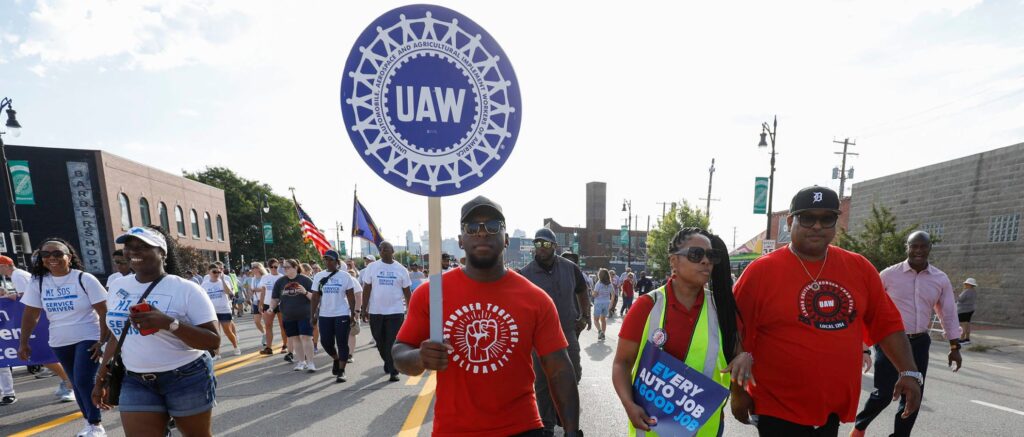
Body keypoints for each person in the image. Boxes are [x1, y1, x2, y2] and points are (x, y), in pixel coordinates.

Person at [733, 186, 921, 437]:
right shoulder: (761, 272)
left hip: (831, 408)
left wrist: (908, 371)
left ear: (836, 221)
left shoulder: (859, 268)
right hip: (776, 407)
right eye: (808, 218)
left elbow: (886, 324)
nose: (817, 226)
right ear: (790, 222)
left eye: (826, 218)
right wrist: (738, 392)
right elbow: (734, 333)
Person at [393, 195, 581, 436]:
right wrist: (419, 357)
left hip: (522, 428)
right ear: (461, 240)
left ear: (506, 239)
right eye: (472, 227)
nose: (482, 233)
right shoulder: (431, 293)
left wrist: (572, 431)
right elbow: (399, 352)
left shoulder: (535, 299)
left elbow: (559, 370)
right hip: (454, 430)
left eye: (493, 226)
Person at [613, 227, 751, 436]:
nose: (705, 261)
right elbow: (621, 363)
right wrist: (628, 404)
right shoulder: (646, 306)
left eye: (710, 256)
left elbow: (738, 356)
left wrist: (745, 358)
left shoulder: (722, 310)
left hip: (705, 429)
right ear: (673, 261)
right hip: (652, 428)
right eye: (696, 254)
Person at [92, 225, 219, 437]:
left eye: (143, 246)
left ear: (162, 252)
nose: (133, 251)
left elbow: (212, 341)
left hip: (185, 376)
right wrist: (101, 377)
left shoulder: (186, 289)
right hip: (135, 379)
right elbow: (116, 335)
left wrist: (169, 323)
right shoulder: (117, 286)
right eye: (129, 247)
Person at [852, 231, 963, 437]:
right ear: (907, 247)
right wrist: (863, 346)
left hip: (919, 341)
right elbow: (866, 308)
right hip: (889, 341)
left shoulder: (940, 279)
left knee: (913, 395)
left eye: (923, 246)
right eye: (914, 246)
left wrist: (954, 346)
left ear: (929, 248)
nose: (918, 250)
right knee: (884, 394)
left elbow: (947, 313)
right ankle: (859, 427)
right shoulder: (888, 275)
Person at [18, 239, 109, 437]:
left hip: (89, 337)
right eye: (46, 255)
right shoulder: (38, 282)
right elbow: (31, 314)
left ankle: (96, 425)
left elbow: (104, 311)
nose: (52, 258)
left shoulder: (84, 279)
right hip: (60, 340)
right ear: (41, 259)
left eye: (58, 254)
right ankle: (89, 423)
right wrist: (23, 342)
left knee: (84, 380)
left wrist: (102, 341)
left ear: (69, 256)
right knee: (75, 382)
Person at [519, 228, 591, 436]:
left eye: (546, 244)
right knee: (542, 383)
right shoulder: (526, 273)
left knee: (573, 373)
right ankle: (547, 425)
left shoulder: (570, 268)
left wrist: (585, 316)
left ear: (555, 246)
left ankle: (562, 409)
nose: (541, 248)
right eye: (538, 244)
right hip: (538, 337)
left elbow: (582, 290)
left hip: (567, 331)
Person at [361, 241, 411, 382]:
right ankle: (388, 362)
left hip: (395, 311)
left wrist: (411, 309)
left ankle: (393, 370)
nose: (383, 251)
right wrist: (364, 309)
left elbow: (407, 292)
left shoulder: (401, 269)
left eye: (386, 249)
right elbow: (367, 288)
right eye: (381, 249)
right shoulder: (372, 267)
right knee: (379, 340)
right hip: (376, 311)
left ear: (392, 250)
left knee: (391, 341)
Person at [311, 250, 357, 382]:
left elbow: (351, 296)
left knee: (342, 342)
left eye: (331, 259)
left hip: (341, 313)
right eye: (325, 259)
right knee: (325, 342)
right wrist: (312, 315)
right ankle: (336, 359)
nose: (327, 262)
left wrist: (353, 314)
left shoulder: (345, 276)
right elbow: (315, 297)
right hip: (325, 314)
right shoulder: (319, 276)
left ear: (337, 262)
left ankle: (342, 371)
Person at [270, 259, 316, 371]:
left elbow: (315, 298)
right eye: (284, 267)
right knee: (295, 339)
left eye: (287, 267)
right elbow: (275, 298)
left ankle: (310, 363)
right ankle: (301, 362)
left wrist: (305, 292)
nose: (284, 269)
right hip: (288, 315)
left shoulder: (305, 280)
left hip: (305, 314)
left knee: (306, 337)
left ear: (295, 267)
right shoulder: (280, 281)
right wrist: (271, 307)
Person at [200, 264, 240, 357]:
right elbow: (202, 297)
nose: (216, 274)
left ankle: (236, 347)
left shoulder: (224, 281)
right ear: (209, 272)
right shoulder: (205, 284)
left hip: (224, 310)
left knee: (228, 331)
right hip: (212, 312)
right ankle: (217, 353)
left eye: (218, 272)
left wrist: (222, 280)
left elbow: (229, 293)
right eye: (214, 272)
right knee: (216, 333)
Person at [258, 258, 287, 355]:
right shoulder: (265, 277)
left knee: (283, 325)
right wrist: (260, 304)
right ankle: (268, 348)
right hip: (267, 304)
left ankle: (285, 346)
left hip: (281, 304)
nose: (274, 268)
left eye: (276, 266)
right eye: (272, 267)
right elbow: (263, 291)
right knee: (268, 326)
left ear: (279, 266)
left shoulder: (282, 277)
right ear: (269, 267)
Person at [592, 269, 615, 341]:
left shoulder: (598, 284)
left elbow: (595, 295)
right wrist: (611, 304)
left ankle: (600, 331)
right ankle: (603, 334)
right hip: (606, 303)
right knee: (603, 320)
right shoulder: (610, 284)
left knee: (596, 320)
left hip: (598, 303)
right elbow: (613, 294)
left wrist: (592, 293)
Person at [248, 263, 268, 344]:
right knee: (257, 321)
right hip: (256, 301)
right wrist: (249, 296)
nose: (252, 269)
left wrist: (256, 289)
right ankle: (264, 333)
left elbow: (266, 289)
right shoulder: (253, 279)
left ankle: (268, 337)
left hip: (264, 300)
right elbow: (251, 289)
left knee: (266, 320)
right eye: (252, 268)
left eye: (254, 267)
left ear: (259, 268)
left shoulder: (265, 277)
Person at [957, 278, 978, 345]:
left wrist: (956, 294)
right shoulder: (974, 291)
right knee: (967, 324)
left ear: (969, 284)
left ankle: (962, 339)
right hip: (970, 309)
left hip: (963, 310)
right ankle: (967, 338)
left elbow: (960, 299)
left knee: (963, 325)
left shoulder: (966, 291)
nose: (965, 284)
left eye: (966, 284)